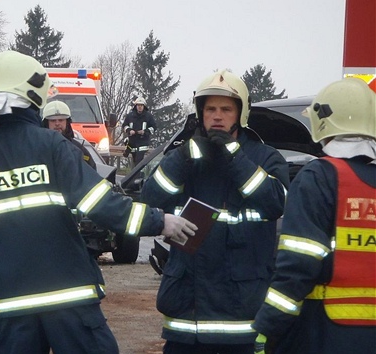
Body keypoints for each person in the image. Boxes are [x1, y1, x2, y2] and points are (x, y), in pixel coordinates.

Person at [0, 50, 197, 354]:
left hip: (11, 309)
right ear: (32, 97)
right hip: (69, 301)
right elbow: (102, 205)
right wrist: (160, 221)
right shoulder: (53, 146)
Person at [140, 69, 289, 354]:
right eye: (210, 109)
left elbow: (275, 202)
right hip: (187, 320)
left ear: (241, 114)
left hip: (239, 317)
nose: (217, 116)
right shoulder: (184, 156)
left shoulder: (265, 157)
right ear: (200, 112)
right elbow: (150, 198)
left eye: (225, 109)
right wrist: (182, 158)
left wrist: (234, 156)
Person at [251, 78, 376, 354]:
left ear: (322, 122)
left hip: (325, 332)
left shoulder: (319, 177)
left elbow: (298, 264)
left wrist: (266, 328)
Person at [42, 100, 97, 169]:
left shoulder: (78, 149)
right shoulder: (38, 147)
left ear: (67, 122)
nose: (57, 123)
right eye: (53, 120)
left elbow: (91, 171)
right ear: (46, 123)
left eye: (61, 120)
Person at [121, 97, 156, 166]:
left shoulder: (148, 116)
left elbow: (154, 127)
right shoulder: (130, 116)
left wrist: (144, 131)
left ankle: (137, 175)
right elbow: (124, 125)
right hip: (132, 143)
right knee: (135, 162)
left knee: (138, 162)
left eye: (141, 105)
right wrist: (129, 130)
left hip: (143, 143)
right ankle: (137, 175)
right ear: (136, 106)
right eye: (138, 105)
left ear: (144, 106)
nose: (140, 107)